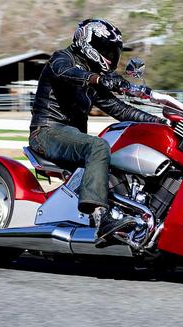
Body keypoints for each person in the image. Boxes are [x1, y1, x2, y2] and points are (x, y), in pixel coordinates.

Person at [29, 19, 164, 242]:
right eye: (105, 50)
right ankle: (102, 220)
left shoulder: (94, 77)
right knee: (98, 145)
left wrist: (161, 123)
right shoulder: (61, 59)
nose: (110, 56)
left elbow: (121, 110)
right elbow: (67, 73)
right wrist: (98, 79)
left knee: (122, 157)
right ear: (86, 43)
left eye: (113, 51)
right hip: (47, 132)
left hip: (72, 137)